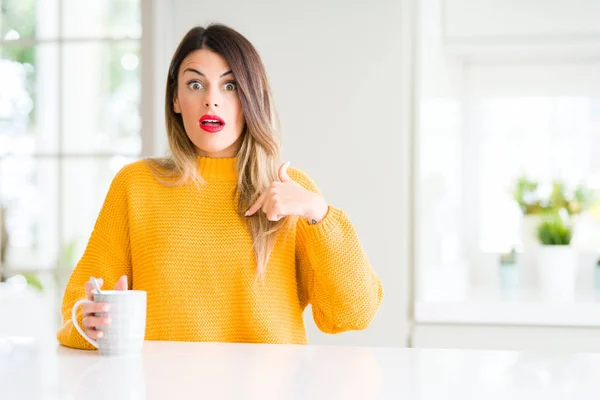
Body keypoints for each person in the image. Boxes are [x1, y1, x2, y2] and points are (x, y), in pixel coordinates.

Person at [57, 23, 383, 349]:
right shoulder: (136, 186)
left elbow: (354, 314)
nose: (211, 100)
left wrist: (318, 212)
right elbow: (76, 314)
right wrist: (91, 321)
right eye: (196, 84)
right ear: (175, 99)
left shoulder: (289, 191)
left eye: (230, 86)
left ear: (251, 98)